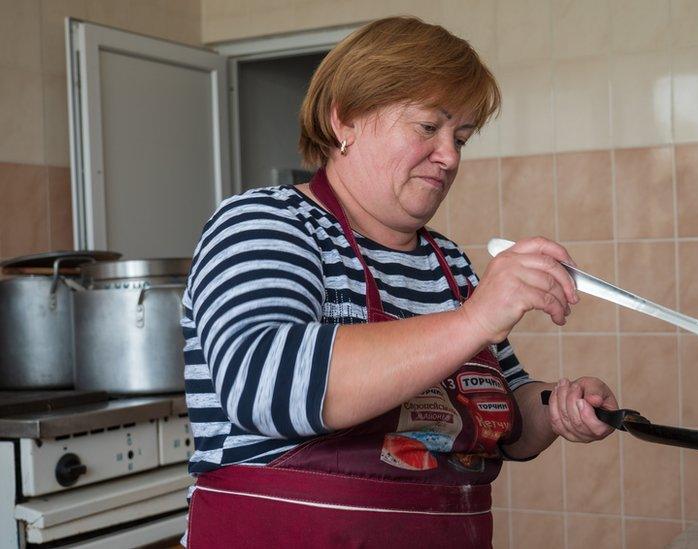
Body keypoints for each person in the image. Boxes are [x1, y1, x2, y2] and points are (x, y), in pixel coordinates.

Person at [182, 16, 617, 548]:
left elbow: (504, 414)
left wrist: (556, 407)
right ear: (346, 121)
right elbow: (265, 385)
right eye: (427, 128)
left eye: (461, 136)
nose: (451, 156)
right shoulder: (267, 223)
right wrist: (475, 319)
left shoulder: (448, 263)